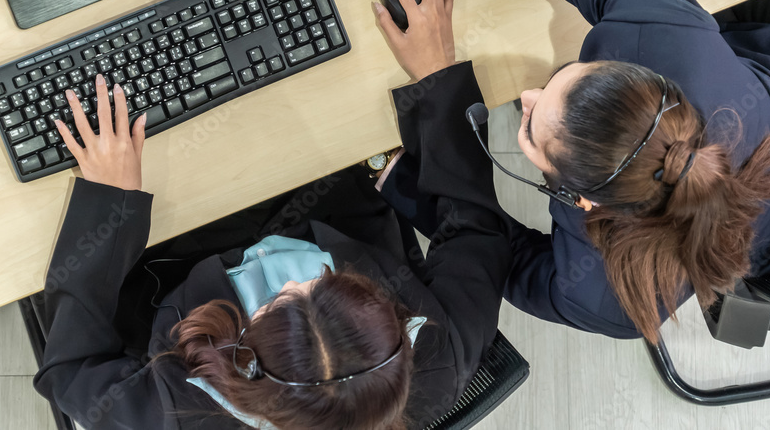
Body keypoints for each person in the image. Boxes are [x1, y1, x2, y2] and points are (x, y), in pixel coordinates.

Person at [239, 0, 770, 343]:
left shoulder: (611, 297)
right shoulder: (667, 39)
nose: (524, 94)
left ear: (580, 200)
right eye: (565, 77)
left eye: (530, 129)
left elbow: (504, 259)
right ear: (638, 72)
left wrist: (437, 96)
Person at [33, 30, 514, 428]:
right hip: (325, 199)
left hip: (171, 255)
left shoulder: (176, 418)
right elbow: (478, 230)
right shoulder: (440, 358)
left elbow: (71, 371)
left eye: (281, 305)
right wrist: (437, 84)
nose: (290, 279)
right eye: (327, 284)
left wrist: (111, 206)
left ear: (251, 370)